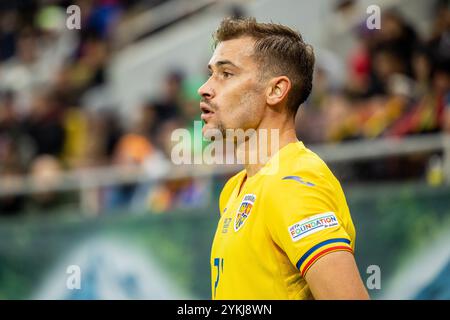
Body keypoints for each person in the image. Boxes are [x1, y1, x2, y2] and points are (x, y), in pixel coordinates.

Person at [198, 17, 369, 300]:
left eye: (226, 74)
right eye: (211, 73)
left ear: (276, 90)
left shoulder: (293, 182)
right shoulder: (235, 189)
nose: (204, 88)